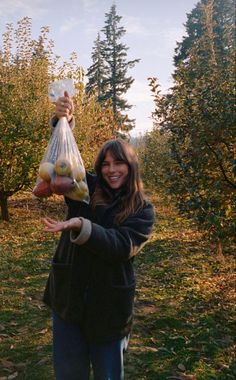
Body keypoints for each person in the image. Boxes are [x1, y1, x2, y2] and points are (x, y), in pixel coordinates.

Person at [42, 92, 155, 380]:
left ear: (131, 167)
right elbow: (65, 163)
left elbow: (121, 246)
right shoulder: (86, 190)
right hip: (69, 298)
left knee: (106, 375)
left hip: (109, 308)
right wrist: (63, 122)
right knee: (69, 374)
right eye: (105, 164)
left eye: (118, 164)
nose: (111, 170)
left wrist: (83, 226)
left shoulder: (143, 209)